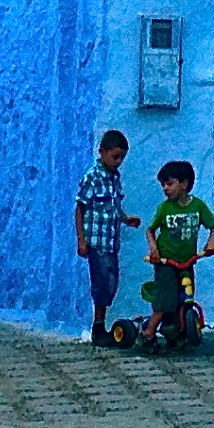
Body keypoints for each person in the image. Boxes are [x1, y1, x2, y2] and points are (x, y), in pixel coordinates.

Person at [139, 159, 214, 349]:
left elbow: (213, 226)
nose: (165, 188)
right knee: (166, 299)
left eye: (169, 184)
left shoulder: (197, 206)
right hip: (166, 262)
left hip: (187, 262)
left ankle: (174, 331)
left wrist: (211, 242)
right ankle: (148, 332)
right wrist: (154, 250)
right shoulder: (165, 208)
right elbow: (150, 230)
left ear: (184, 184)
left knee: (184, 296)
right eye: (163, 185)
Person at [73, 129, 138, 346]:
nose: (118, 162)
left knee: (112, 283)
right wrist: (81, 240)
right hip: (96, 242)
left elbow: (114, 206)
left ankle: (101, 324)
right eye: (115, 156)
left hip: (111, 242)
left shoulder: (114, 179)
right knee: (102, 284)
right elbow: (80, 208)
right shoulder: (92, 177)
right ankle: (98, 327)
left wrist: (126, 219)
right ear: (102, 152)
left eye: (122, 158)